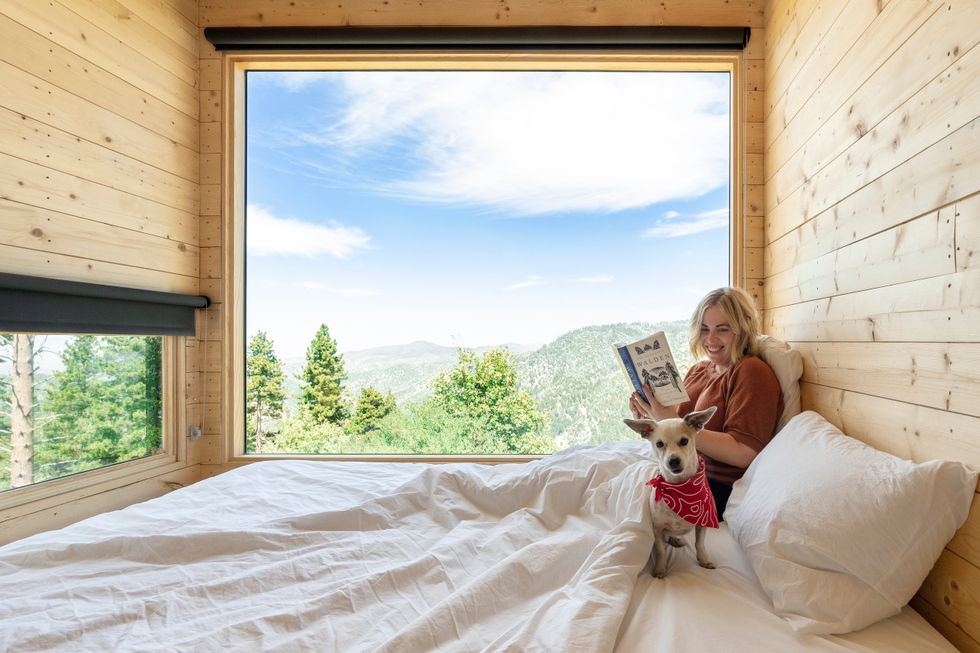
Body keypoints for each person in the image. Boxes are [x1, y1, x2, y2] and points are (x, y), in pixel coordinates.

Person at [629, 287, 783, 516]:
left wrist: (672, 420)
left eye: (722, 329)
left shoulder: (751, 372)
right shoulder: (699, 370)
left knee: (628, 503)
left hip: (713, 487)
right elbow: (676, 427)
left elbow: (744, 453)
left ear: (743, 329)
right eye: (704, 329)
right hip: (678, 470)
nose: (710, 339)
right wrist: (651, 419)